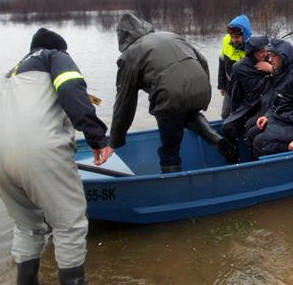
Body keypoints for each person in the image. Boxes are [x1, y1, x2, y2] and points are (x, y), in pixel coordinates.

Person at [0, 28, 113, 285]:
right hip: (37, 150)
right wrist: (97, 138)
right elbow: (70, 88)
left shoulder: (14, 71)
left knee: (27, 226)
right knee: (70, 226)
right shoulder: (55, 57)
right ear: (61, 49)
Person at [109, 12, 231, 173]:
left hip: (170, 96)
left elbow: (124, 100)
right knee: (188, 114)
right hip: (199, 87)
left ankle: (173, 188)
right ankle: (217, 140)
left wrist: (115, 140)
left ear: (123, 37)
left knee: (169, 150)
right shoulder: (171, 35)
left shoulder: (130, 54)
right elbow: (202, 60)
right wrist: (203, 91)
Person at [220, 35, 273, 161]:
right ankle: (234, 161)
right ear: (252, 53)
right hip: (249, 106)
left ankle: (254, 161)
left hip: (268, 105)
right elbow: (236, 94)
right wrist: (234, 113)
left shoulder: (273, 61)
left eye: (266, 51)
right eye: (261, 52)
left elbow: (288, 77)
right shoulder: (239, 68)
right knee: (227, 128)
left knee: (252, 128)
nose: (264, 54)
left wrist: (272, 69)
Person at [218, 14, 252, 119]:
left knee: (241, 116)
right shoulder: (226, 41)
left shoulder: (252, 47)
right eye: (232, 37)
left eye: (237, 37)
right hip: (229, 85)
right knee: (225, 114)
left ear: (245, 35)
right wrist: (221, 85)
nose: (234, 40)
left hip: (245, 89)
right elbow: (222, 63)